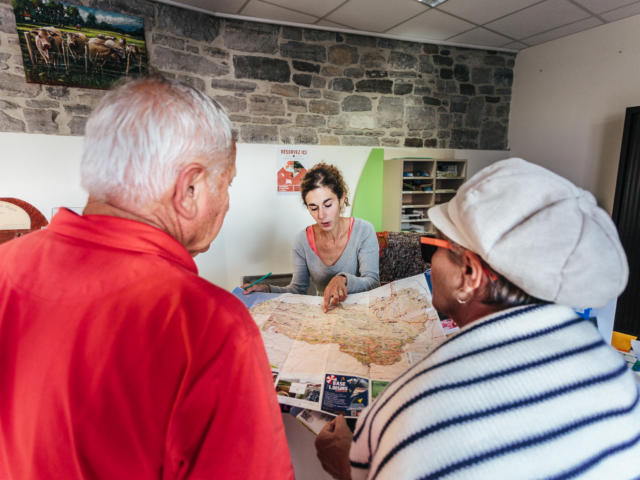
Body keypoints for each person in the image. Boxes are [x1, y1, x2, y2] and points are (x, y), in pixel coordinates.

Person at [0, 77, 294, 479]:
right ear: (188, 188)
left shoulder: (5, 265)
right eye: (226, 185)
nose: (226, 203)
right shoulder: (208, 323)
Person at [315, 158, 640, 479]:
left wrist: (345, 463)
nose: (432, 263)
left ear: (469, 274)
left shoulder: (415, 409)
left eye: (437, 248)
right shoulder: (619, 379)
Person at [244, 162, 380, 312]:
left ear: (341, 199)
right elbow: (297, 290)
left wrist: (343, 279)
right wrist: (267, 290)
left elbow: (373, 282)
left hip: (360, 312)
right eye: (313, 208)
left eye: (328, 205)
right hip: (324, 313)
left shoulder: (364, 230)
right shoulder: (301, 241)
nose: (321, 215)